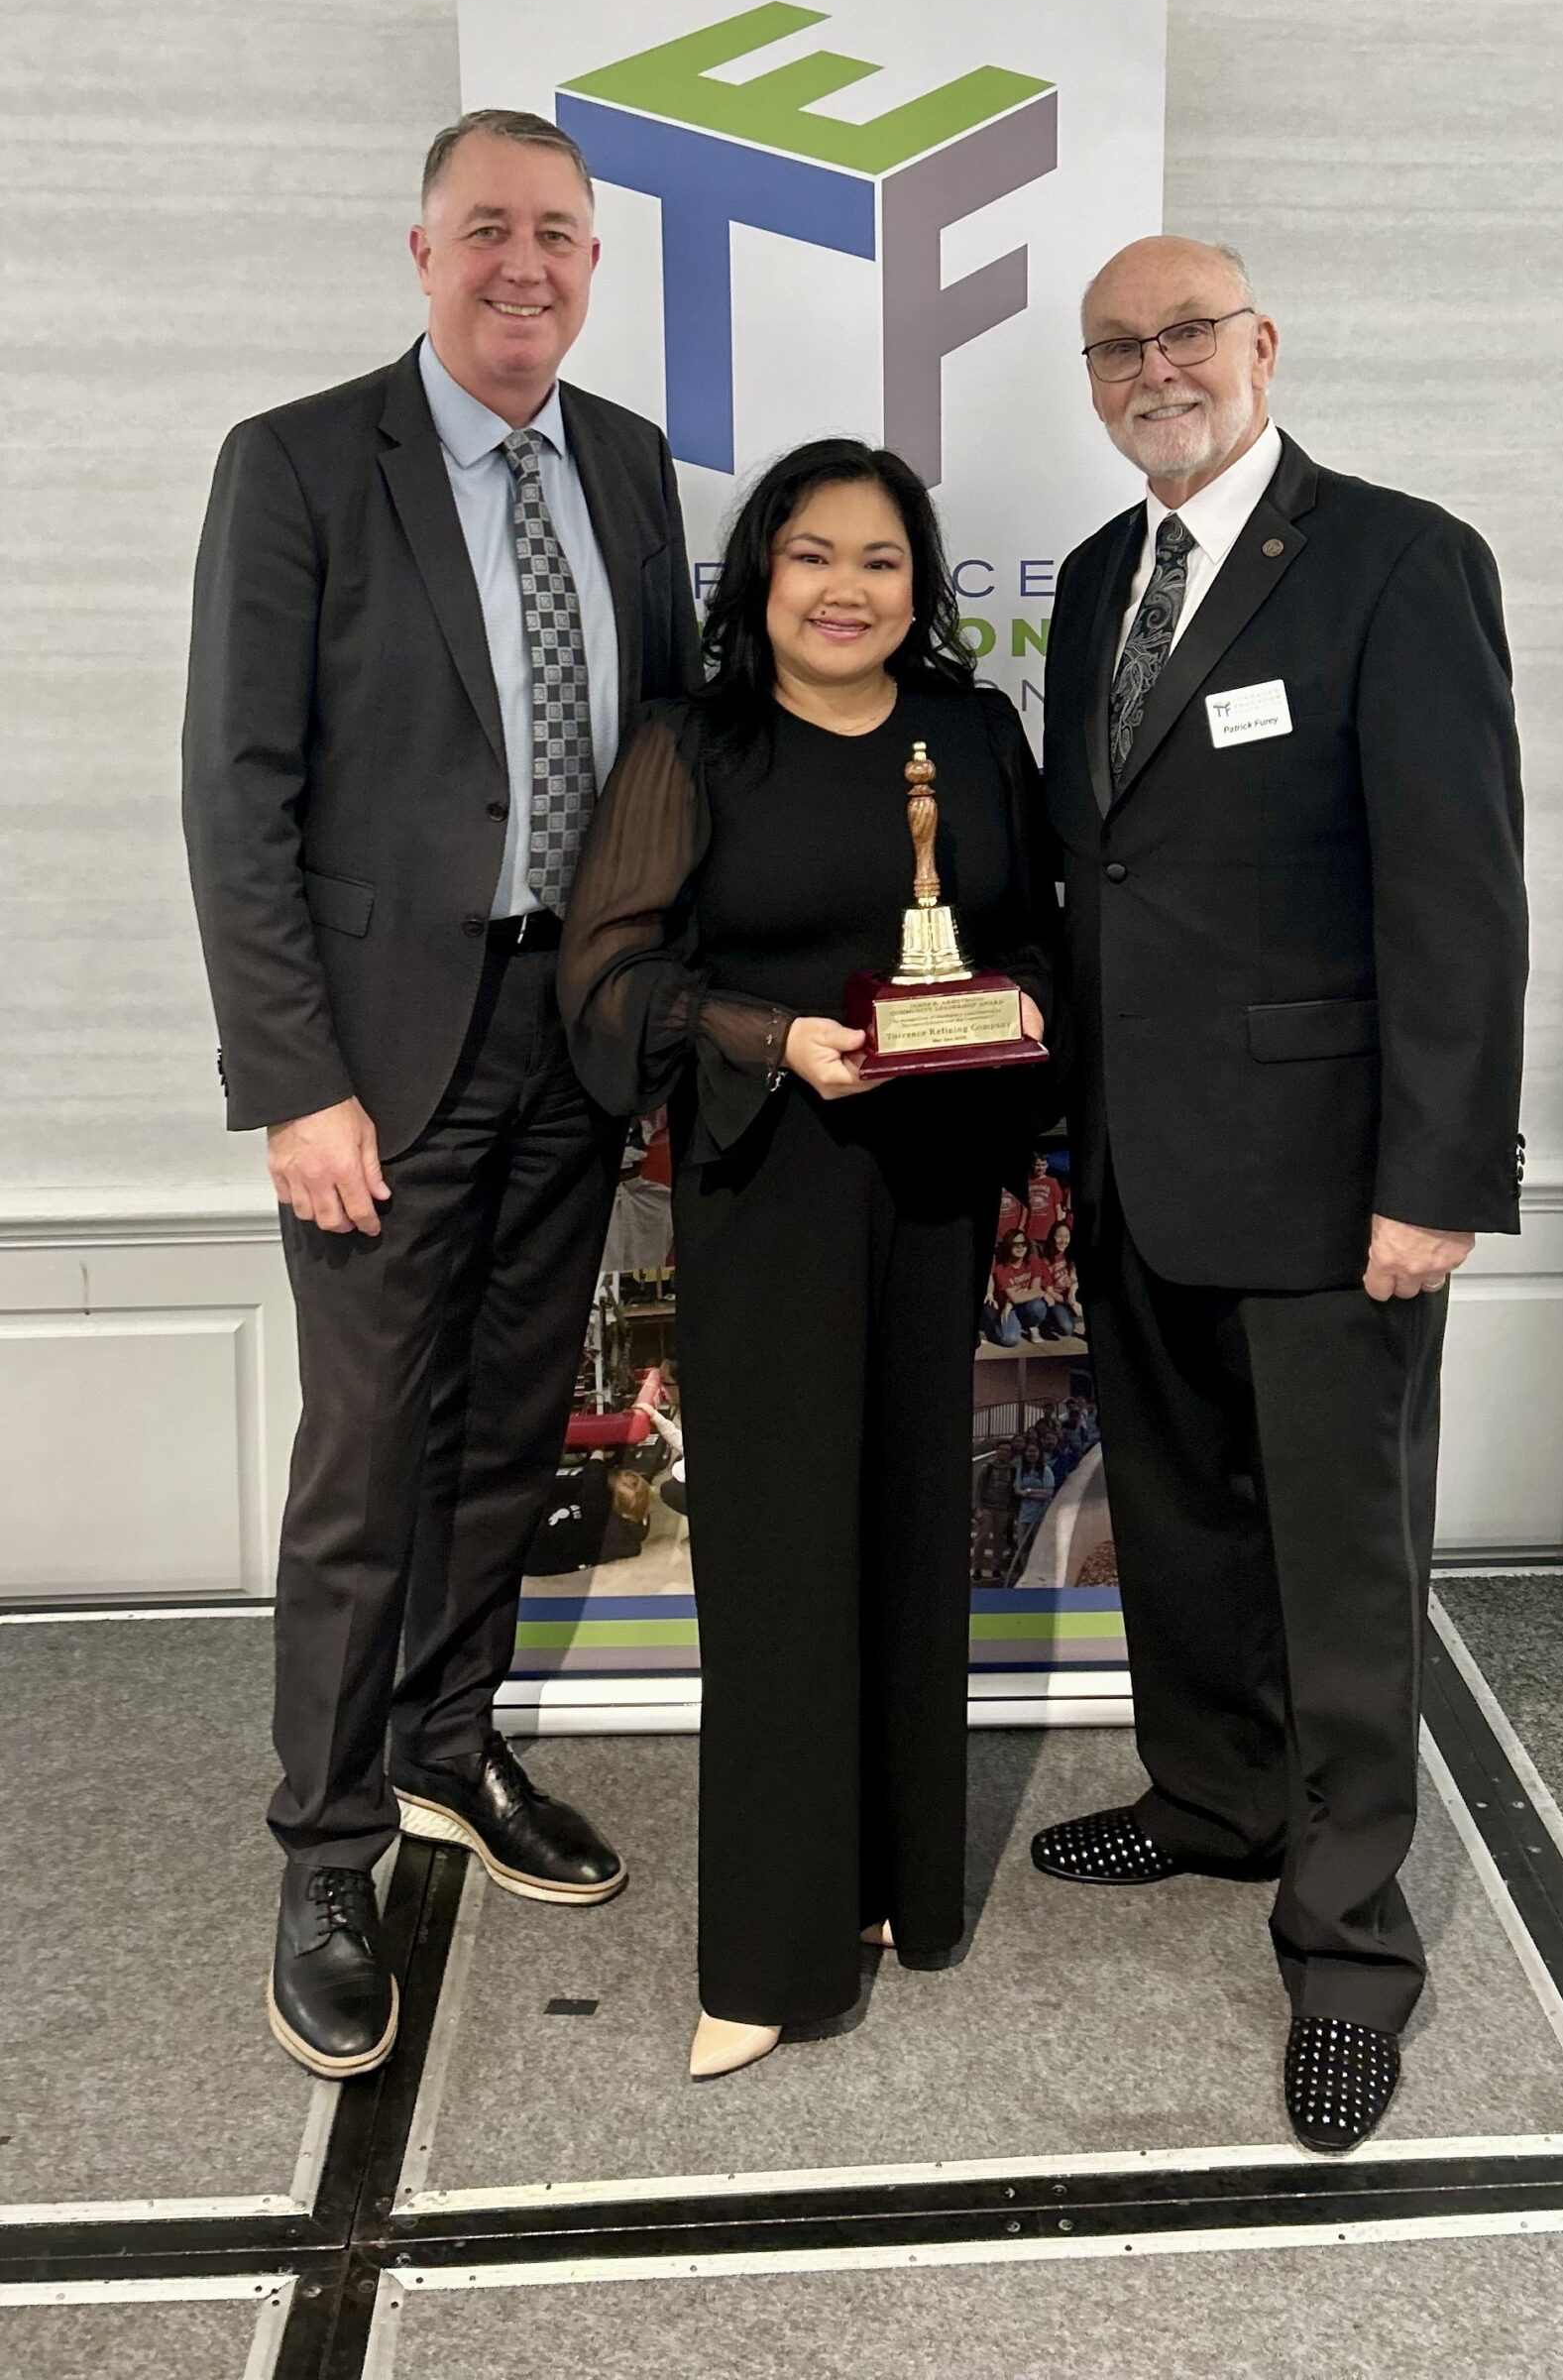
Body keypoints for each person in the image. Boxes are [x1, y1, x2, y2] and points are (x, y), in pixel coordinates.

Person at [182, 109, 699, 2079]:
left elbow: (665, 759)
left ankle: (447, 1748)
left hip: (571, 1033)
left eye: (556, 233)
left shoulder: (630, 467)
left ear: (593, 265)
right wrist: (293, 1080)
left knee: (506, 1427)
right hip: (379, 1064)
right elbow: (237, 793)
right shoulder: (303, 461)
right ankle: (326, 1852)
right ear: (422, 252)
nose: (522, 264)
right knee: (363, 1465)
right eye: (486, 227)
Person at [1035, 236, 1527, 2152]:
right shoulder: (1097, 578)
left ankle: (1344, 1948)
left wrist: (1434, 1180)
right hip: (1134, 1167)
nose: (1151, 369)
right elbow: (1107, 875)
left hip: (1335, 1190)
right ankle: (1212, 1800)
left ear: (1258, 346)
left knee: (1338, 1575)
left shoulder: (1397, 562)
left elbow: (1455, 894)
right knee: (1172, 1526)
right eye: (1114, 347)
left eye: (1183, 333)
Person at [561, 436, 1057, 2078]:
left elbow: (1033, 931)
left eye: (880, 559)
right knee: (777, 1561)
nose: (846, 588)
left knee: (912, 1528)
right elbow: (605, 983)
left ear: (921, 588)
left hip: (931, 1185)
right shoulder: (692, 745)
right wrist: (775, 1038)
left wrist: (1013, 1009)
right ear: (759, 577)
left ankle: (894, 1888)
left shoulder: (973, 736)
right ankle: (766, 1957)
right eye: (812, 555)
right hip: (769, 1186)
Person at [981, 1226, 1051, 1344]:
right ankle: (989, 1330)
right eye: (1015, 1244)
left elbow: (1036, 1291)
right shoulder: (1001, 1268)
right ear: (1008, 1246)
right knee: (1010, 1340)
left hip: (1023, 1304)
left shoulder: (1033, 1261)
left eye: (1023, 1244)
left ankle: (1032, 1326)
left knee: (1038, 1306)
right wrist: (1011, 1301)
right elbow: (1016, 1298)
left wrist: (1039, 1293)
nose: (1020, 1247)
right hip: (1006, 1306)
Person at [1036, 1216, 1082, 1339]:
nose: (1063, 1240)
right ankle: (1048, 1320)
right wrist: (1068, 1302)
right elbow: (1050, 1291)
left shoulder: (1071, 1253)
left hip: (1071, 1294)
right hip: (1057, 1299)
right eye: (1059, 1236)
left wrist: (1072, 1294)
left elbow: (1074, 1279)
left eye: (1066, 1236)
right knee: (1067, 1328)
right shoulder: (1045, 1260)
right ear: (1052, 1237)